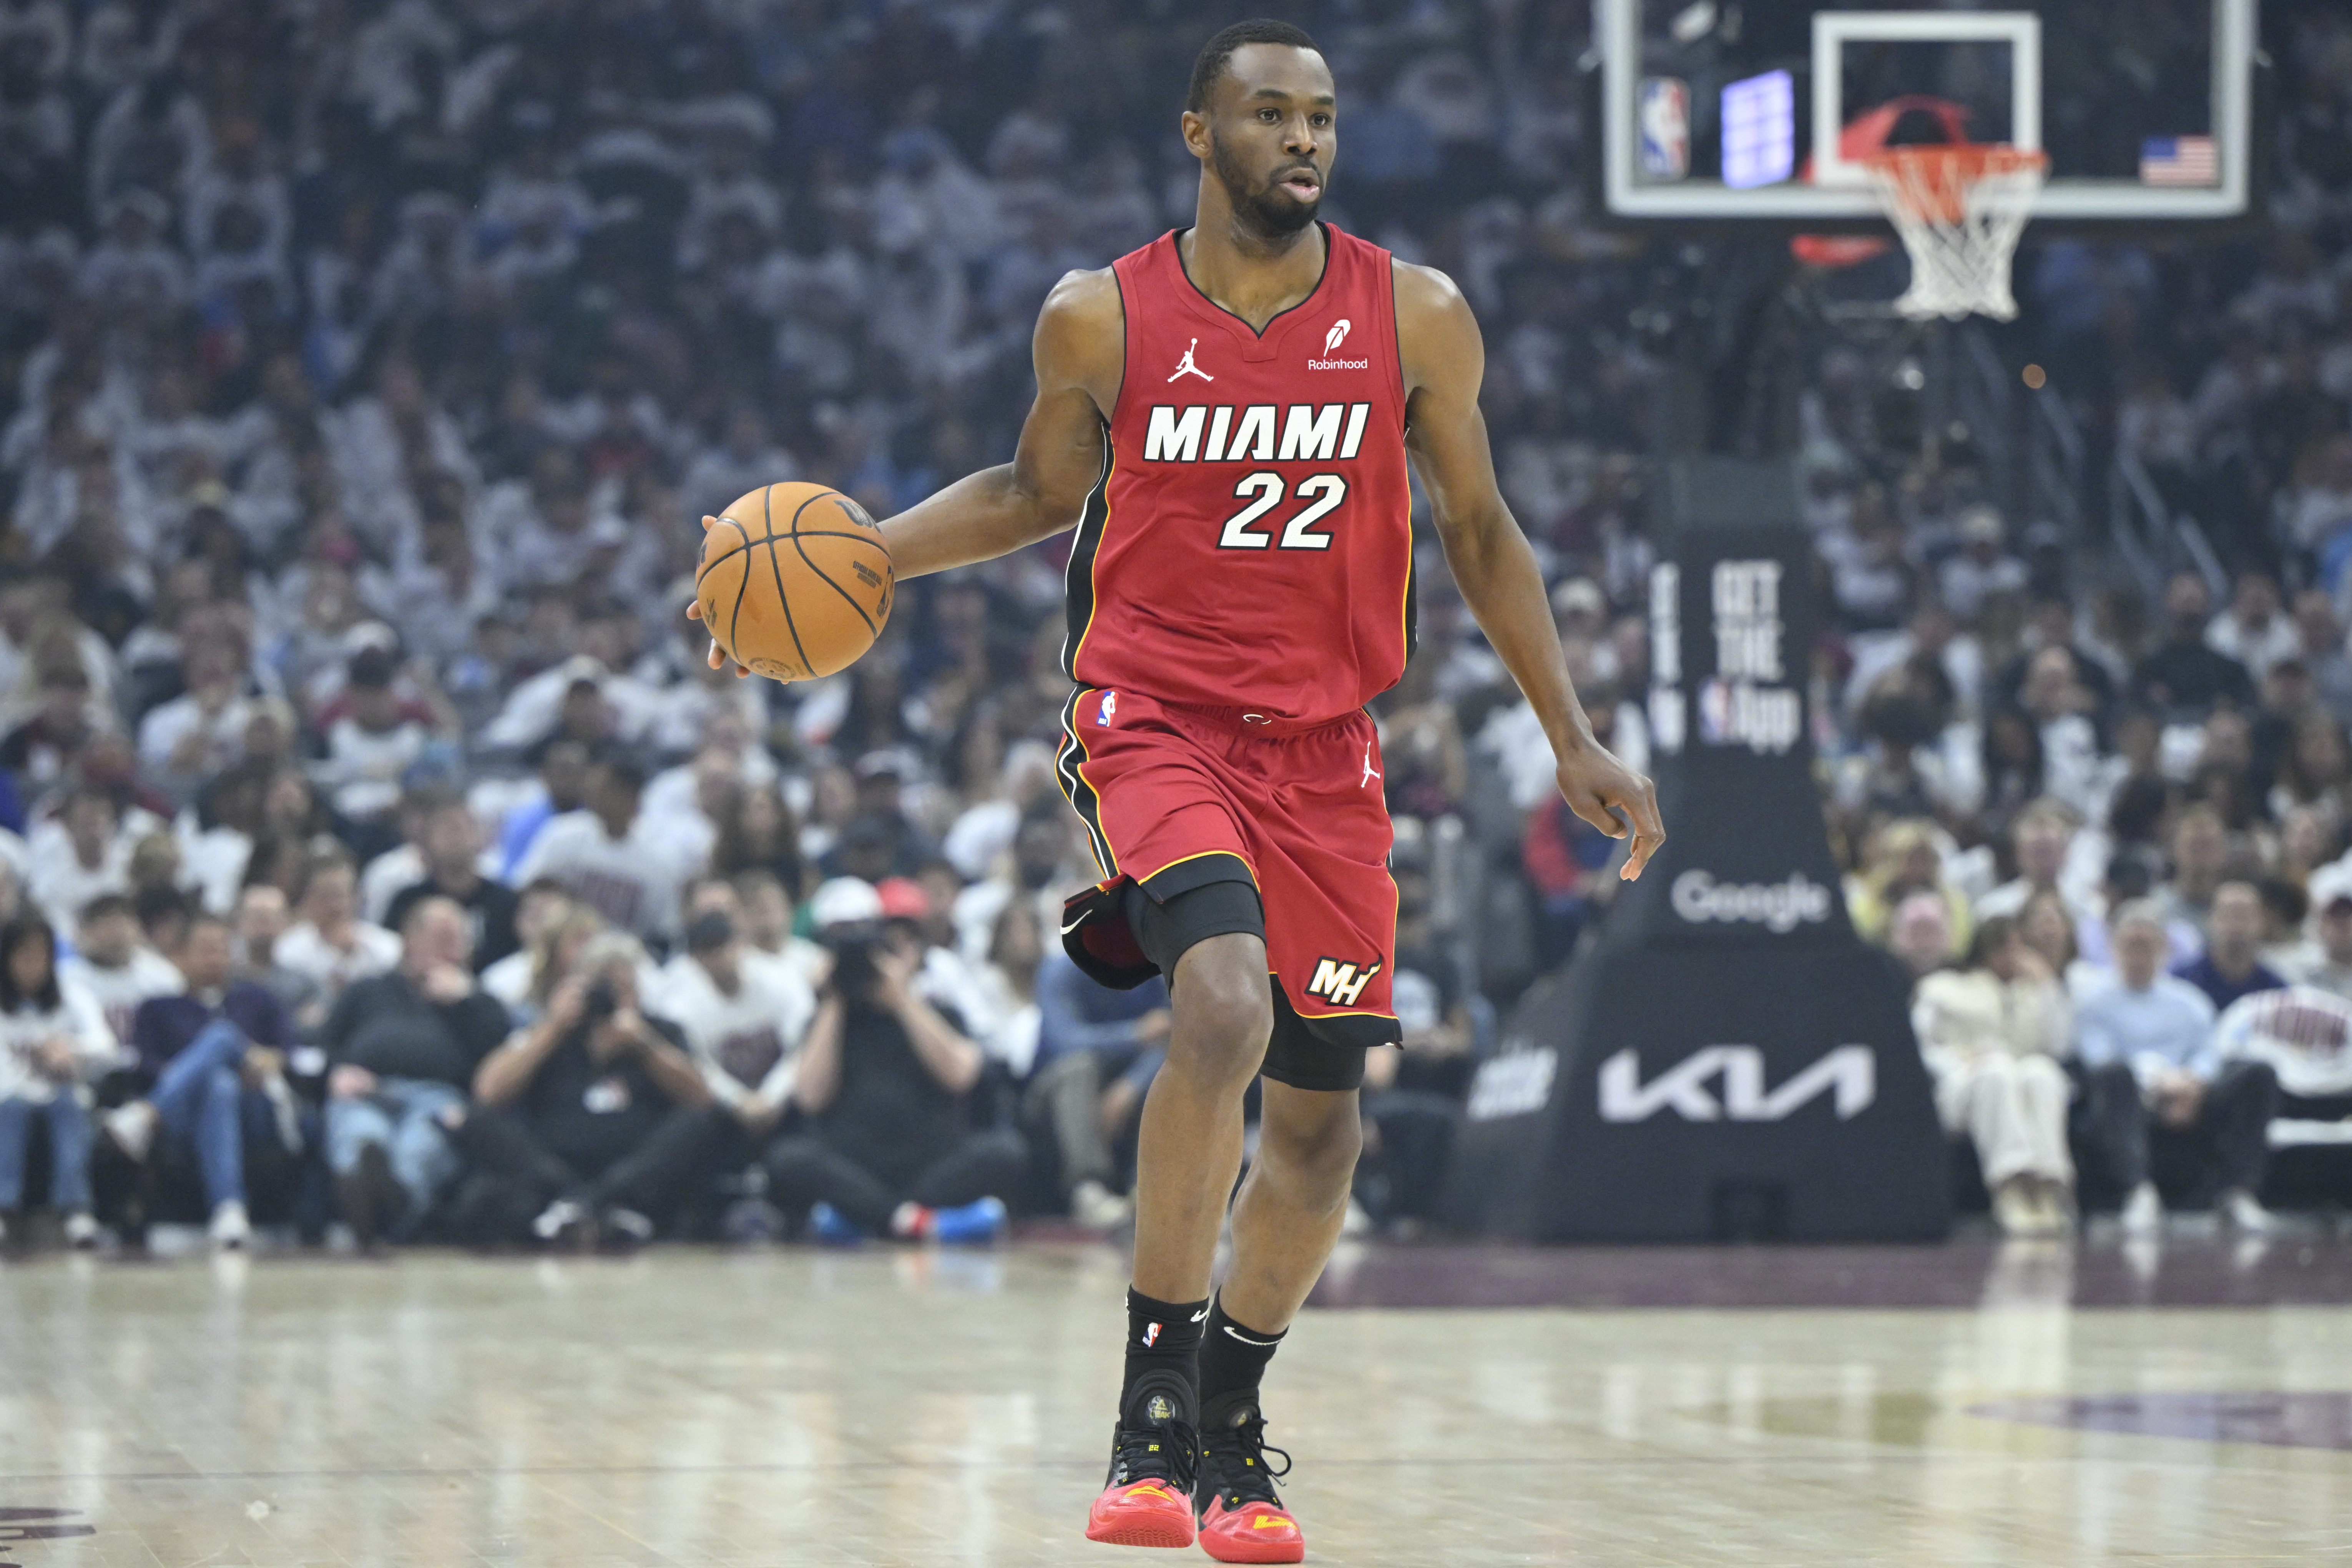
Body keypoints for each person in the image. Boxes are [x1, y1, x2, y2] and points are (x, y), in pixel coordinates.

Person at [684, 22, 1662, 1559]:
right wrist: (854, 551)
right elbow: (1032, 496)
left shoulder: (1416, 316)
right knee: (1217, 1004)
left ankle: (1229, 1420)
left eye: (1321, 117)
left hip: (1328, 750)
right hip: (1154, 719)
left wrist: (1574, 735)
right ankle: (1149, 1404)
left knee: (1327, 1138)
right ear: (1199, 134)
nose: (1303, 139)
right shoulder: (1102, 315)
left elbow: (1480, 530)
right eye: (1269, 113)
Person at [760, 892, 1027, 1246]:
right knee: (786, 1159)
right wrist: (835, 999)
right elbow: (810, 1097)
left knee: (1006, 1151)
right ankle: (914, 1222)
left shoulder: (937, 1012)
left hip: (931, 1161)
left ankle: (870, 1219)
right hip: (853, 1163)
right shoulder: (828, 1019)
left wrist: (902, 998)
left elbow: (961, 1075)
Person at [457, 932, 711, 1248]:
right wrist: (553, 1026)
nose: (615, 999)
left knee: (702, 1123)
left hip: (634, 1168)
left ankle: (589, 1203)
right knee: (478, 1120)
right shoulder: (554, 1032)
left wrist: (645, 1046)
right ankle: (584, 1203)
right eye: (606, 987)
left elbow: (702, 1098)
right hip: (555, 1166)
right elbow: (489, 1092)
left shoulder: (659, 1032)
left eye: (625, 987)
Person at [317, 897, 512, 1249]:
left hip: (438, 1098)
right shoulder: (368, 991)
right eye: (441, 938)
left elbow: (497, 1056)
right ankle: (369, 1187)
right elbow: (326, 1044)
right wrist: (337, 1073)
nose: (450, 949)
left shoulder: (481, 1003)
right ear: (409, 942)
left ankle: (384, 1205)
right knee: (363, 1133)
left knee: (417, 1150)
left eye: (458, 941)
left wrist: (466, 1002)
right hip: (367, 1092)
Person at [2073, 902, 2274, 1234]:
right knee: (2111, 1076)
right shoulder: (2092, 1002)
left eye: (2147, 945)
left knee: (2257, 1074)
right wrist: (2160, 1083)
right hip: (2130, 1097)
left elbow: (2211, 1051)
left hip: (2190, 1094)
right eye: (2130, 945)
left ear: (2164, 949)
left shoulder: (2189, 1000)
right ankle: (2137, 1191)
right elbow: (2097, 1056)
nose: (2139, 954)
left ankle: (2237, 1194)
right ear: (2113, 948)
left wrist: (2195, 1081)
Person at [106, 915, 301, 1248]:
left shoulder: (259, 1000)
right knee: (218, 1084)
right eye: (205, 950)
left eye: (223, 950)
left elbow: (285, 1054)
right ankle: (229, 1208)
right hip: (183, 1116)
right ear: (180, 956)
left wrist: (258, 1063)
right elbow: (145, 1063)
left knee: (223, 1038)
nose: (215, 958)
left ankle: (144, 1116)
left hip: (256, 1107)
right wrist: (190, 1076)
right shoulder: (158, 1008)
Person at [1910, 916, 2075, 1235]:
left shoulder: (2032, 994)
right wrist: (1960, 1063)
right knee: (1996, 1070)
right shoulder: (1943, 987)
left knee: (2041, 1073)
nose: (2014, 956)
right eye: (2007, 947)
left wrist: (2047, 985)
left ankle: (2046, 1185)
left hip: (2019, 1083)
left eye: (2021, 948)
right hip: (1962, 1086)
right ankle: (2010, 1186)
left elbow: (2059, 1046)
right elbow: (1919, 1044)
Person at [1027, 943, 1171, 1231]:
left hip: (1124, 1087)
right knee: (1079, 1068)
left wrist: (1131, 1086)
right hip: (1051, 1095)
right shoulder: (1059, 970)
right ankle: (1089, 1188)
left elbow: (1172, 1034)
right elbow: (1064, 1042)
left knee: (1173, 1070)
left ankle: (1147, 1190)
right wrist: (1135, 1034)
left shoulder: (1154, 972)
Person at [0, 915, 117, 1247]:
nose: (32, 966)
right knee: (11, 1110)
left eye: (40, 956)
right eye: (23, 956)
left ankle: (75, 1208)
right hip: (9, 1097)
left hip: (63, 1093)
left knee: (69, 1108)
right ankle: (4, 1206)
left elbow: (106, 1045)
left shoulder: (72, 992)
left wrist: (72, 1052)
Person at [512, 754, 698, 949]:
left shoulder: (660, 862)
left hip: (620, 956)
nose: (593, 792)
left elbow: (663, 930)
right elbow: (526, 888)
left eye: (605, 787)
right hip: (557, 946)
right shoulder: (563, 834)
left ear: (630, 796)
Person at [384, 794, 522, 970]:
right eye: (446, 829)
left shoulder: (506, 901)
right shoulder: (407, 902)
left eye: (461, 828)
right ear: (426, 843)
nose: (455, 837)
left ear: (480, 839)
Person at [2172, 879, 2288, 1012]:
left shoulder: (2277, 991)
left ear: (2262, 922)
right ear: (2209, 919)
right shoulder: (2182, 982)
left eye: (2245, 916)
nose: (2237, 925)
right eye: (2228, 915)